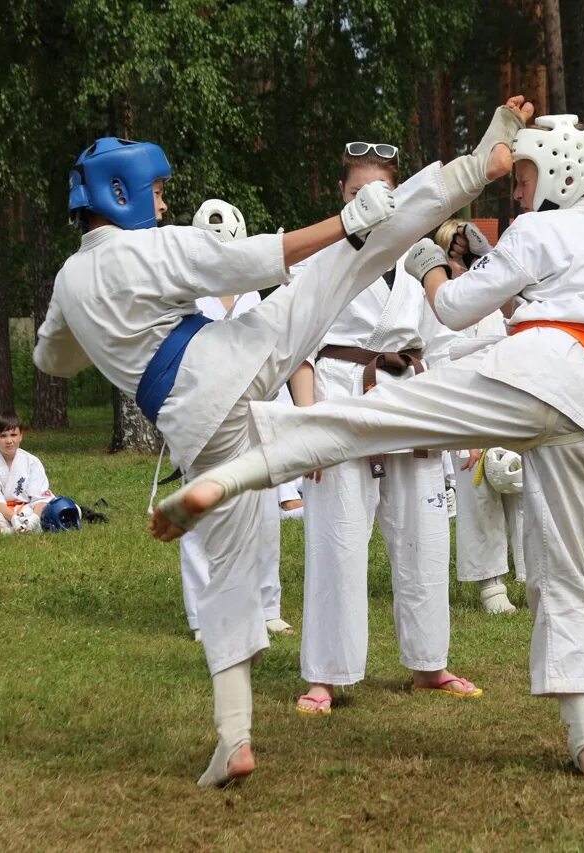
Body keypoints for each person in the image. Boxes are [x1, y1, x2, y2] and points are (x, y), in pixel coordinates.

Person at [34, 97, 530, 787]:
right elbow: (254, 260)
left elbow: (51, 360)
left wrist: (106, 327)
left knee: (229, 582)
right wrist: (345, 222)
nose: (165, 203)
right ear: (118, 193)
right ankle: (478, 166)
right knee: (350, 259)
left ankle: (234, 738)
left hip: (192, 425)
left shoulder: (68, 282)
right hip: (236, 363)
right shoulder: (148, 247)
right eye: (155, 192)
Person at [154, 112, 584, 780]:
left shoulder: (532, 229)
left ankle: (243, 461)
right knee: (561, 569)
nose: (519, 192)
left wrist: (433, 266)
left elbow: (453, 313)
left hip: (527, 370)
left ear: (557, 173)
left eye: (525, 175)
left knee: (378, 419)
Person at [287, 145, 477, 717]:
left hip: (411, 396)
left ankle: (429, 663)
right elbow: (296, 347)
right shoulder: (319, 257)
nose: (368, 204)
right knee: (338, 535)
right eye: (356, 194)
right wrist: (306, 424)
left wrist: (460, 428)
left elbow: (444, 344)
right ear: (342, 197)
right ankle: (325, 675)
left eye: (380, 195)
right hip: (343, 396)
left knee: (423, 535)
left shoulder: (421, 257)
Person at [174, 198, 294, 641]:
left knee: (262, 513)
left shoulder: (253, 294)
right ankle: (206, 613)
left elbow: (270, 351)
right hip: (202, 413)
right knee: (201, 512)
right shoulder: (186, 297)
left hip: (254, 411)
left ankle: (265, 605)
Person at [434, 220, 525, 613]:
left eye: (467, 259)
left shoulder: (492, 294)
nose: (461, 268)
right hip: (462, 398)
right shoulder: (434, 301)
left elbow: (519, 319)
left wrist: (487, 260)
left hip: (507, 390)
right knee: (478, 485)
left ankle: (533, 574)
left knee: (519, 483)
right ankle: (491, 583)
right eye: (452, 260)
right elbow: (434, 356)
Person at [0, 411, 54, 534]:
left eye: (13, 434)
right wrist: (13, 518)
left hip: (27, 510)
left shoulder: (32, 462)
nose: (9, 440)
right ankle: (7, 530)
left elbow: (40, 497)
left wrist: (35, 518)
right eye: (3, 436)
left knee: (59, 507)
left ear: (21, 435)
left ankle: (24, 527)